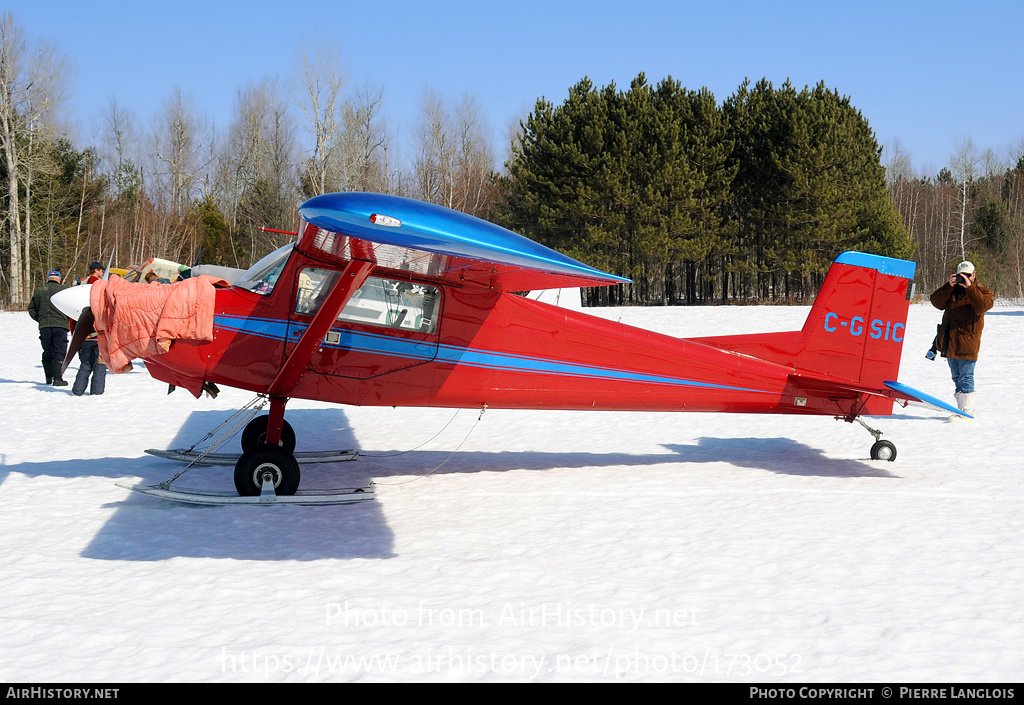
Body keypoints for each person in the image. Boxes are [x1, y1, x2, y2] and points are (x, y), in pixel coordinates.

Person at [930, 261, 994, 422]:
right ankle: (961, 410)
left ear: (974, 275)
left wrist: (970, 287)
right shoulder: (952, 292)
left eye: (968, 275)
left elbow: (982, 306)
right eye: (961, 275)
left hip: (968, 343)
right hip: (950, 342)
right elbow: (936, 302)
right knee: (957, 377)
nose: (964, 278)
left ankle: (968, 411)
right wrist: (948, 286)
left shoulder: (982, 292)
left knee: (966, 377)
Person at [27, 270, 70, 387]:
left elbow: (31, 309)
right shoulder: (65, 291)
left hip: (44, 326)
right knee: (59, 350)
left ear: (48, 278)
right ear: (59, 279)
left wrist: (41, 319)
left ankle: (48, 377)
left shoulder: (39, 291)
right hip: (60, 325)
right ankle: (57, 378)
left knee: (48, 350)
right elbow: (71, 307)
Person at [73, 262, 107, 396]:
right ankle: (97, 392)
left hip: (84, 334)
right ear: (96, 271)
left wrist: (76, 332)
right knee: (100, 364)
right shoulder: (98, 286)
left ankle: (77, 390)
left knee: (85, 364)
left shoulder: (81, 285)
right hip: (99, 335)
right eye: (101, 270)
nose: (103, 272)